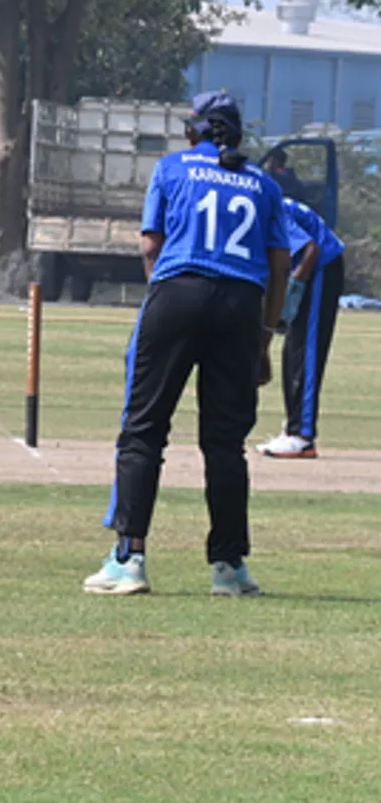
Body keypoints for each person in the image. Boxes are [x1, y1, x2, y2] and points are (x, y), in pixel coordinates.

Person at [84, 91, 290, 597]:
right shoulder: (263, 183)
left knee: (144, 429)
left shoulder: (173, 168)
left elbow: (151, 244)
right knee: (225, 442)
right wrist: (264, 337)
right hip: (242, 304)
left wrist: (163, 303)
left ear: (194, 131)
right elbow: (280, 262)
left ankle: (129, 557)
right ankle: (229, 567)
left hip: (179, 292)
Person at [256, 199, 345, 459]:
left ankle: (302, 436)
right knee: (293, 351)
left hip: (319, 270)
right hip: (306, 267)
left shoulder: (267, 206)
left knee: (306, 350)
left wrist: (293, 289)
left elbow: (311, 250)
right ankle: (293, 429)